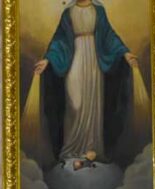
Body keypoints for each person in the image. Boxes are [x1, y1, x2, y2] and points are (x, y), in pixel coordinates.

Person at [34, 0, 139, 167]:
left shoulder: (98, 11)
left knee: (92, 103)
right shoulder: (68, 13)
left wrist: (125, 53)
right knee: (75, 103)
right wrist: (47, 60)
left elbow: (109, 36)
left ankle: (91, 149)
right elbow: (59, 41)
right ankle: (71, 149)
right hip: (74, 58)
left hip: (93, 62)